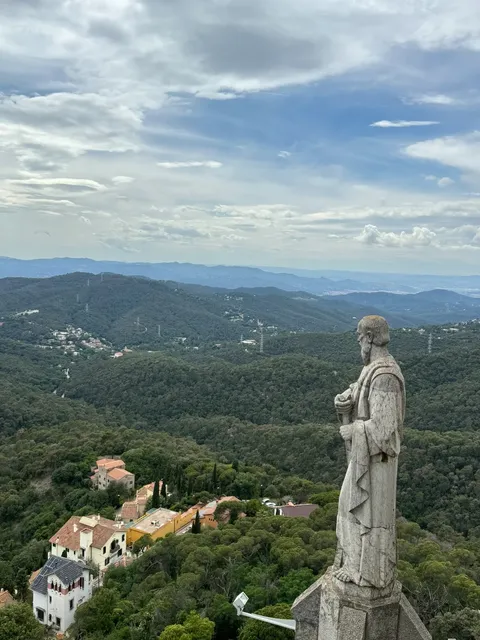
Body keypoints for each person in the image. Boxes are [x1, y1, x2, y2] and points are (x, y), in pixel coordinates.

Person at [333, 315, 405, 589]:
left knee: (368, 516)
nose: (358, 342)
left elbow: (385, 430)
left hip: (376, 464)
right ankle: (353, 564)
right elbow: (359, 391)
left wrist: (354, 431)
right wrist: (345, 399)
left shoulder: (386, 376)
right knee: (348, 509)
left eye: (360, 337)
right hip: (365, 459)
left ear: (371, 338)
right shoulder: (372, 369)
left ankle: (368, 572)